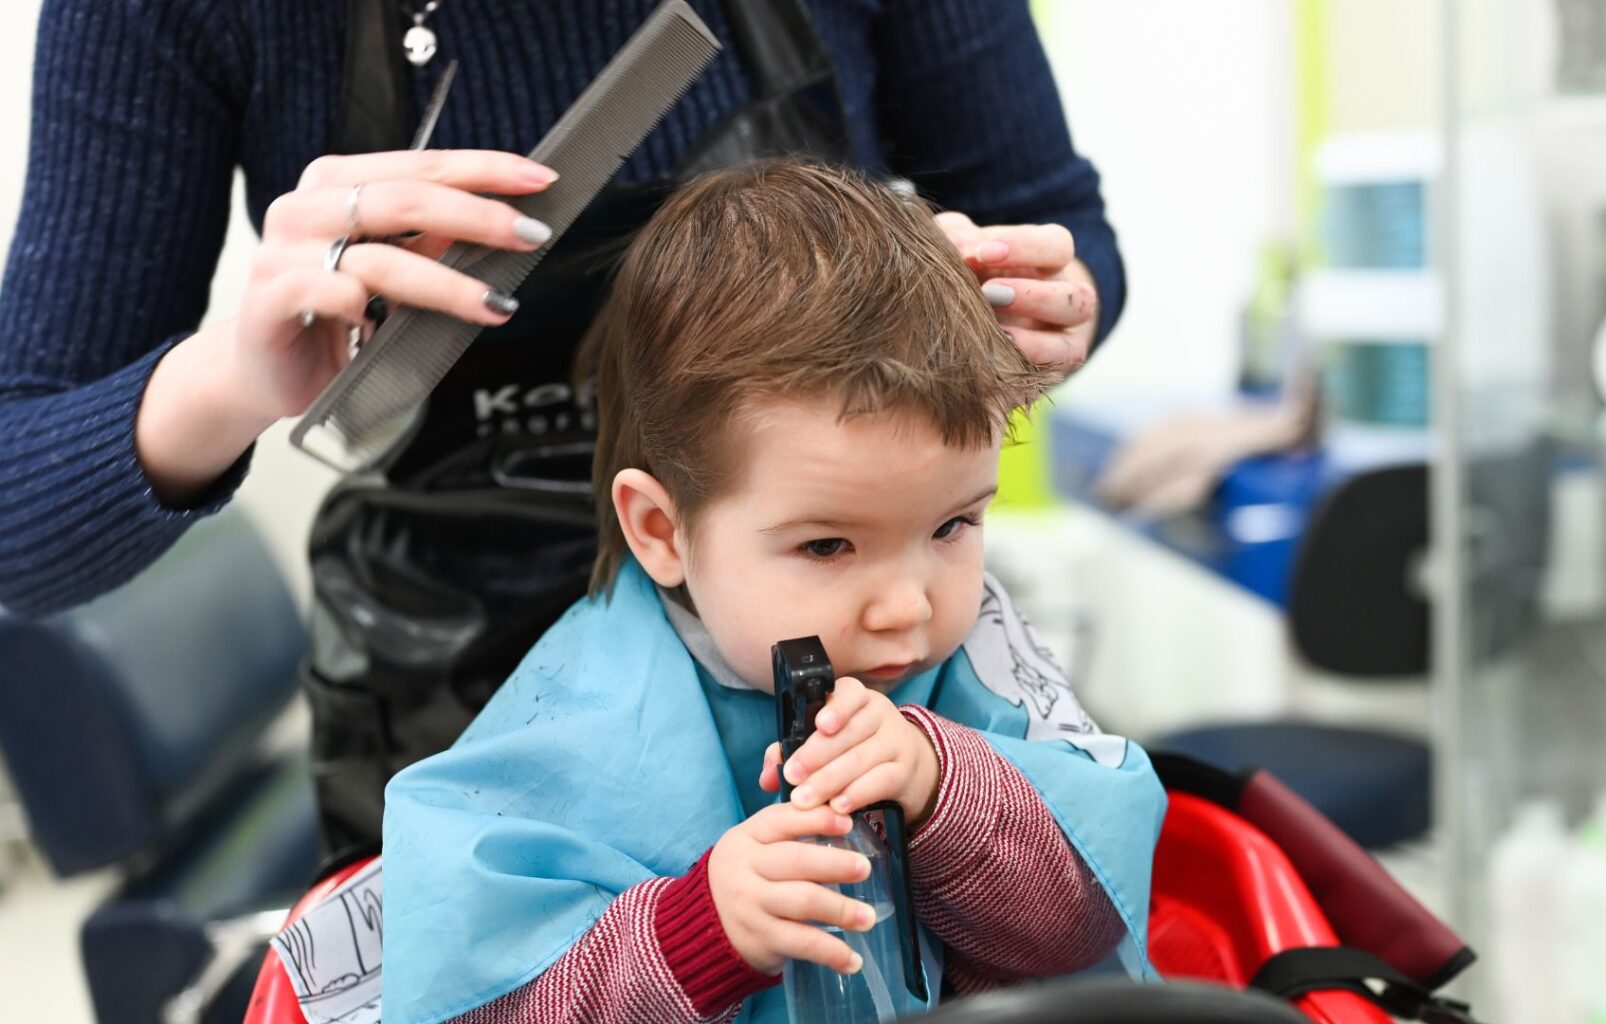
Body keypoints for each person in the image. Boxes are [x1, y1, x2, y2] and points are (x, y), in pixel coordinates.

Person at [0, 0, 1125, 856]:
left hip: (845, 684)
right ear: (651, 522)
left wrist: (1043, 303)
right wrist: (225, 380)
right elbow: (20, 520)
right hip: (460, 712)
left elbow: (1061, 227)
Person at [381, 162, 1164, 1024]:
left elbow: (1090, 930)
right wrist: (697, 934)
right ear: (659, 529)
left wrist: (944, 794)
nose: (907, 607)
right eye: (827, 545)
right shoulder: (576, 720)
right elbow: (474, 1007)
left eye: (952, 527)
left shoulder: (978, 659)